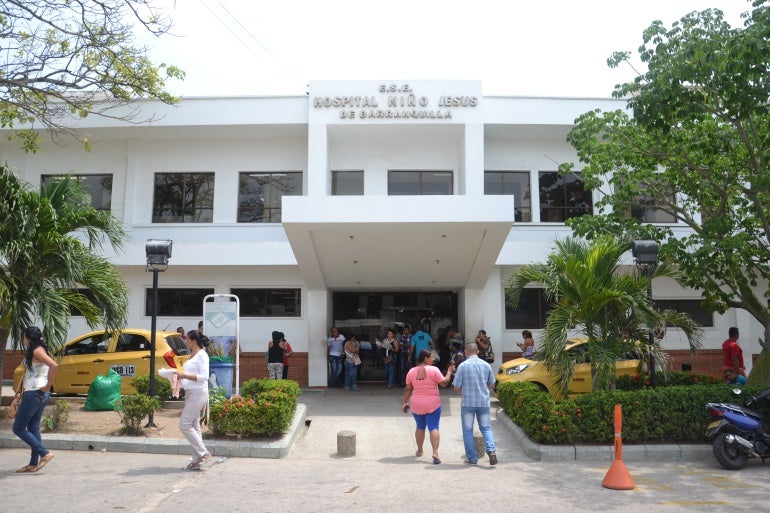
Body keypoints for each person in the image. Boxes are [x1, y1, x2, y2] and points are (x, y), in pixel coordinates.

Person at [13, 326, 58, 473]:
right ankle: (33, 463)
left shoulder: (37, 350)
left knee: (18, 428)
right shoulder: (40, 349)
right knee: (33, 428)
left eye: (24, 337)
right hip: (39, 393)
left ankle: (44, 453)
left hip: (35, 393)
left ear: (28, 338)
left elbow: (54, 365)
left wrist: (48, 385)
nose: (23, 340)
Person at [402, 349, 454, 464]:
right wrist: (449, 371)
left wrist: (405, 403)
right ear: (425, 359)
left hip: (416, 403)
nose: (433, 359)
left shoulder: (411, 371)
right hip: (432, 403)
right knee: (434, 427)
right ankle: (435, 453)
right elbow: (444, 383)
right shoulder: (434, 370)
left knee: (420, 426)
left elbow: (408, 389)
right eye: (431, 357)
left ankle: (420, 450)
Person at [453, 342, 498, 466]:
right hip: (483, 402)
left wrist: (465, 393)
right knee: (486, 428)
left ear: (466, 352)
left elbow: (456, 386)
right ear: (477, 351)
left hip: (468, 403)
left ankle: (472, 458)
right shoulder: (486, 365)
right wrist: (483, 391)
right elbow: (492, 384)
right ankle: (491, 451)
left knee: (467, 430)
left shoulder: (463, 366)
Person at [178, 330, 211, 470]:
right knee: (194, 425)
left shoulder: (202, 355)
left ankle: (203, 452)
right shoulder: (192, 355)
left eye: (188, 340)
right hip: (190, 392)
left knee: (184, 424)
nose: (186, 342)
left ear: (195, 341)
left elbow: (204, 377)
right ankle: (196, 459)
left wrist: (184, 376)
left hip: (198, 392)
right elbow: (188, 375)